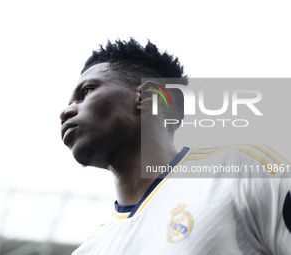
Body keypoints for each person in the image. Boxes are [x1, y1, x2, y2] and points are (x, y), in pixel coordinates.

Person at [60, 38, 291, 254]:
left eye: (87, 91)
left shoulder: (238, 172)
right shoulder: (91, 250)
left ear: (146, 96)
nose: (66, 111)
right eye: (69, 103)